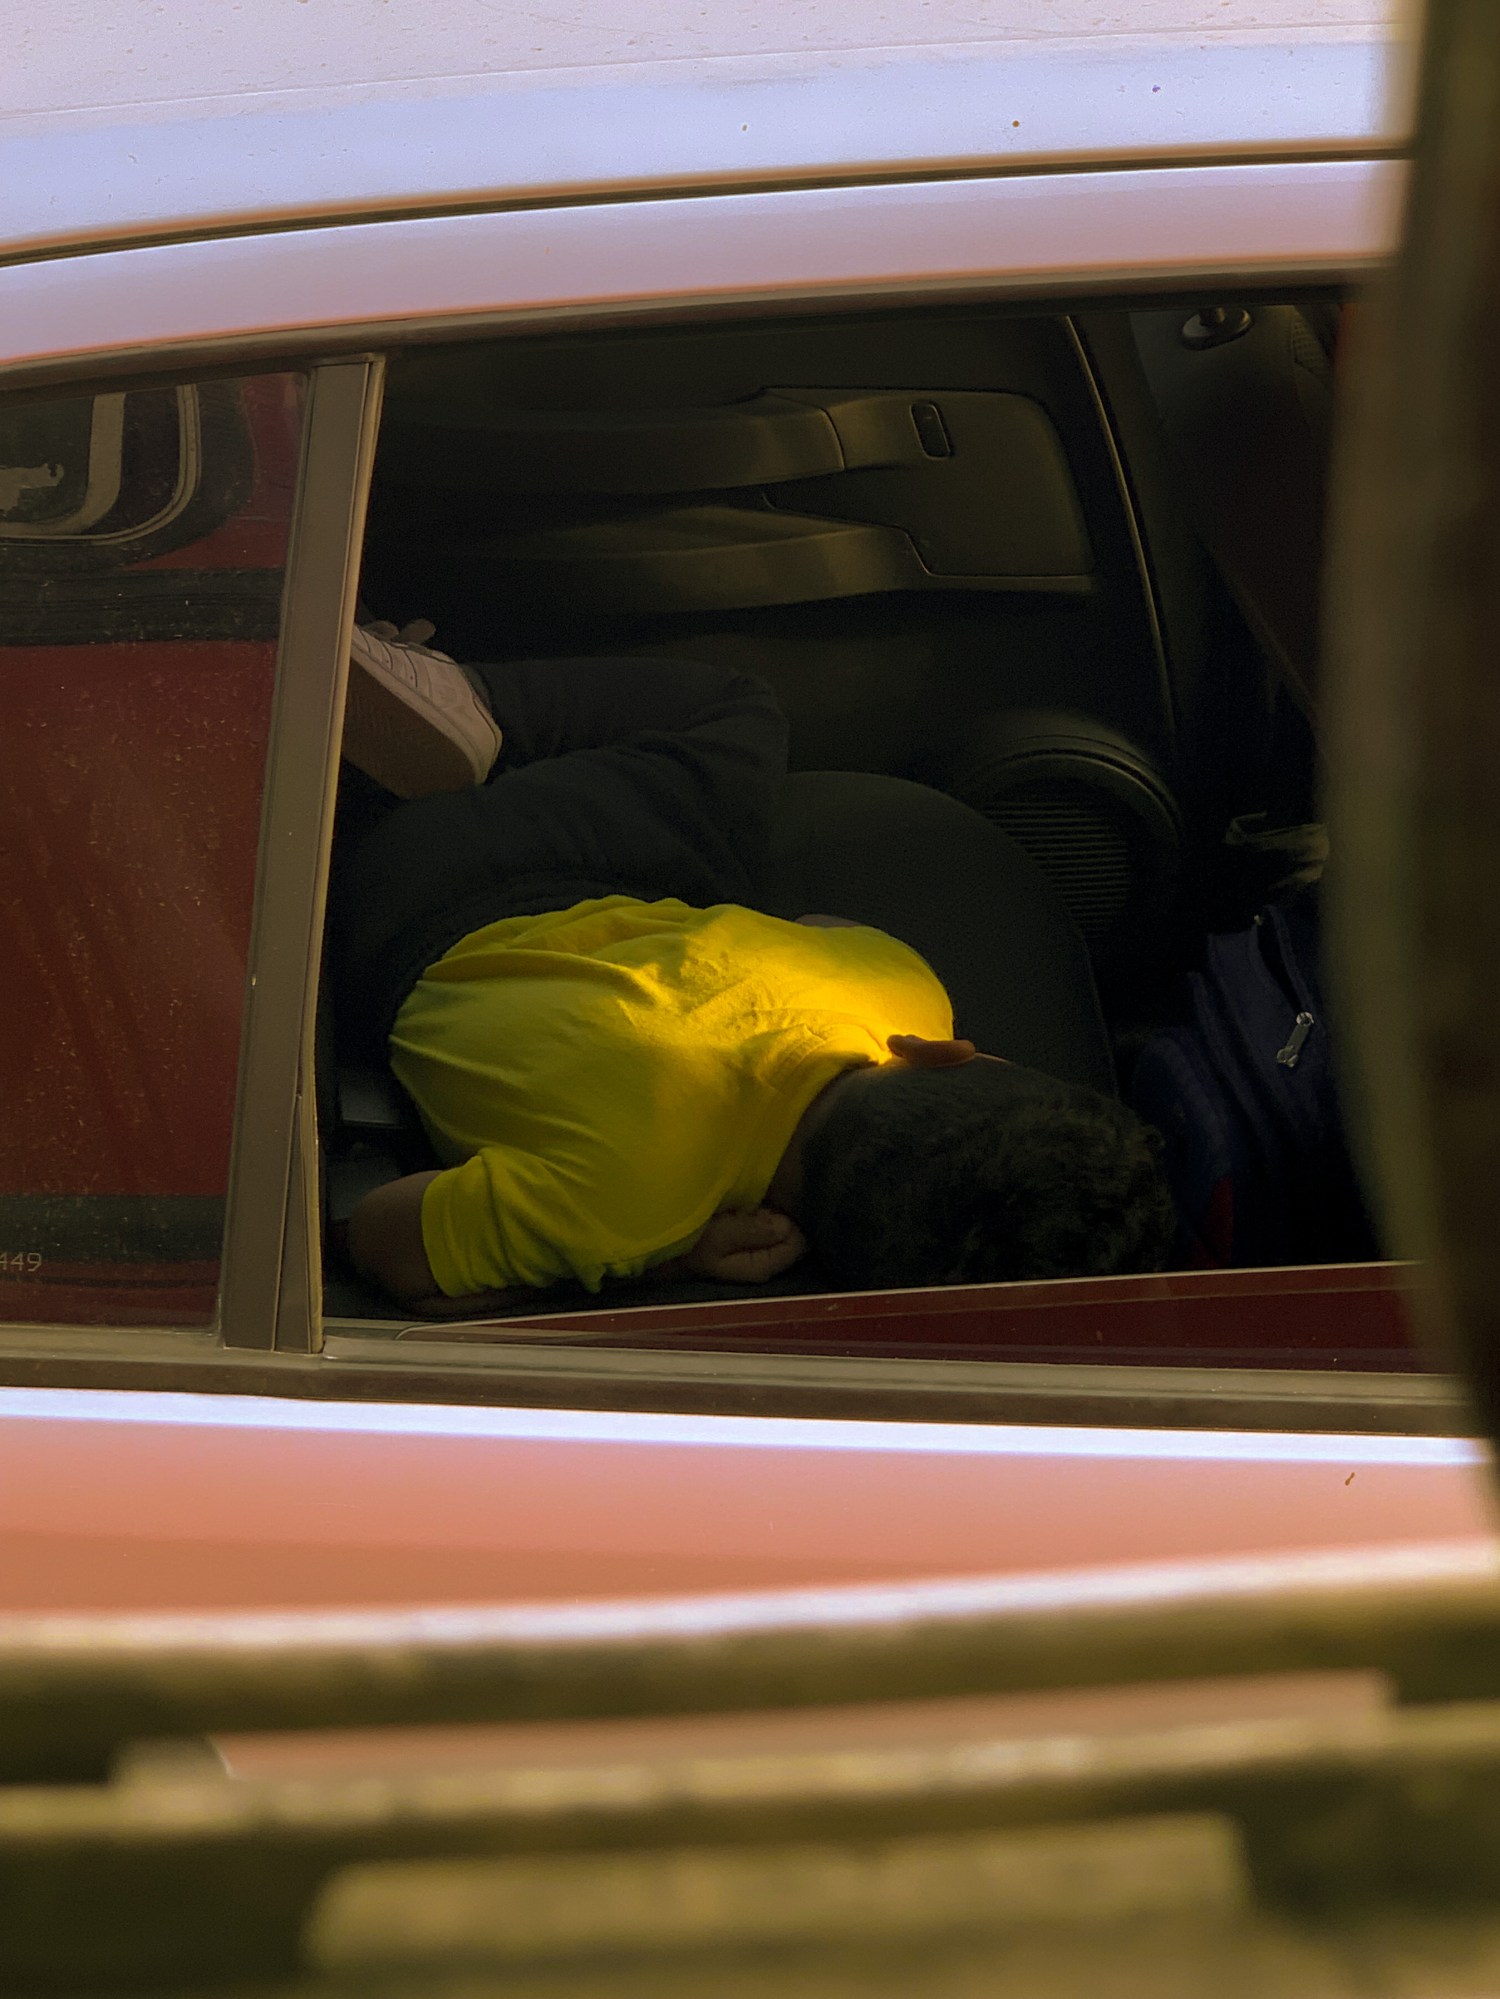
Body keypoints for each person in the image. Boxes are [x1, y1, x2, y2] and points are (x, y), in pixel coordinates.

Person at [332, 624, 1174, 1315]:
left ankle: (469, 701)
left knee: (737, 715)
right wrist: (660, 1258)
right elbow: (382, 1235)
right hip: (389, 912)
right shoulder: (623, 1210)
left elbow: (814, 926)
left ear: (937, 1050)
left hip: (566, 864)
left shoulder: (897, 988)